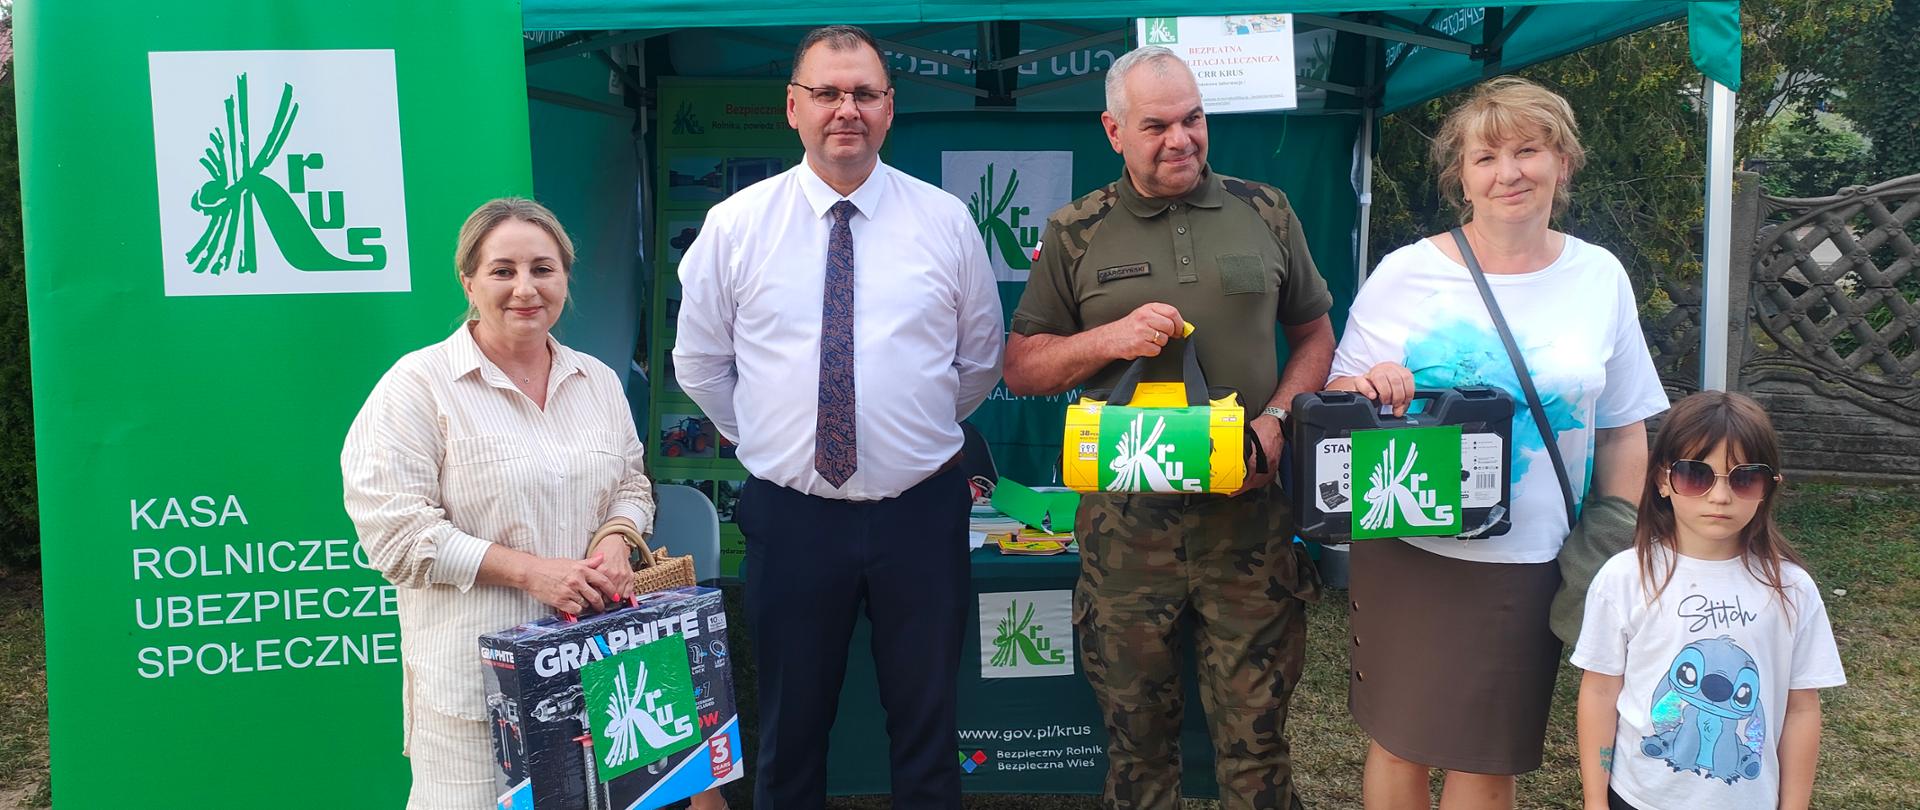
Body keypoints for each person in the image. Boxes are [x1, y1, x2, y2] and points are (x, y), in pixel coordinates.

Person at [670, 24, 1004, 810]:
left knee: (927, 730)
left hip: (920, 513)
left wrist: (905, 434)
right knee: (790, 733)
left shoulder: (945, 221)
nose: (845, 109)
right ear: (793, 107)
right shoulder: (737, 225)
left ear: (890, 110)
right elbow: (700, 364)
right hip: (793, 517)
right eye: (827, 93)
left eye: (864, 93)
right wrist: (770, 440)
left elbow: (980, 359)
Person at [1003, 46, 1335, 809]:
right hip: (1126, 536)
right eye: (1157, 125)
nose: (1181, 139)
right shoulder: (1077, 230)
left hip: (1248, 524)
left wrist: (1279, 420)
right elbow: (1022, 367)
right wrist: (1107, 340)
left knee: (1258, 750)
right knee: (1137, 750)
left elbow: (1316, 335)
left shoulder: (1266, 210)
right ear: (1113, 130)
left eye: (1193, 119)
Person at [1325, 76, 1668, 809]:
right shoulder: (1406, 274)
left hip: (1531, 557)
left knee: (1488, 754)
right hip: (1410, 544)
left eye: (1528, 150)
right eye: (1486, 157)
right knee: (1398, 739)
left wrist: (1618, 538)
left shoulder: (1598, 276)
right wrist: (1373, 383)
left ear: (1563, 162)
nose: (1508, 171)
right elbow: (1336, 406)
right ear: (1462, 179)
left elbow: (1624, 425)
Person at [343, 198, 726, 807]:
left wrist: (615, 538)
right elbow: (396, 535)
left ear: (565, 278)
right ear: (468, 280)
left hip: (604, 682)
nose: (525, 288)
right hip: (478, 701)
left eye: (543, 269)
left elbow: (631, 484)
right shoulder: (416, 387)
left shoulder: (597, 381)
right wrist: (531, 572)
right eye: (503, 271)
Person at [1572, 391, 1845, 810]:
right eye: (1696, 475)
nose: (1720, 497)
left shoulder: (1793, 589)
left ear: (1769, 487)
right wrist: (1594, 800)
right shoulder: (1625, 577)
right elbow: (1600, 693)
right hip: (1637, 798)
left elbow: (1801, 710)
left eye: (1743, 478)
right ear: (1663, 479)